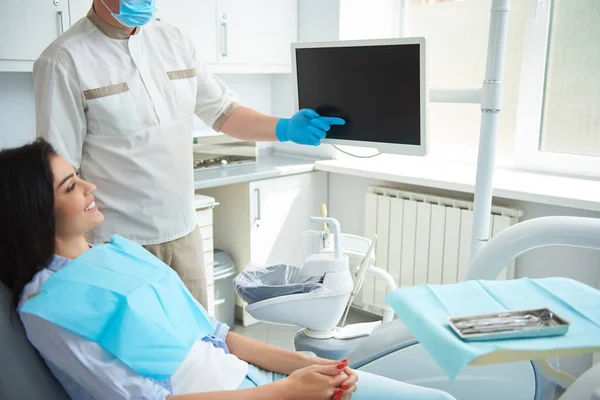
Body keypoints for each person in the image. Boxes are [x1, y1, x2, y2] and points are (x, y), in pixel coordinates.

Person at [0, 139, 457, 400]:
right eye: (70, 185)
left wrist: (308, 364)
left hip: (258, 381)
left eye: (79, 174)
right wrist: (286, 393)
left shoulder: (118, 250)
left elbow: (217, 335)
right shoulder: (46, 309)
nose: (89, 186)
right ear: (37, 209)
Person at [33, 0, 345, 308]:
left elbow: (223, 112)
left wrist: (284, 128)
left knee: (200, 341)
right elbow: (59, 171)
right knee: (141, 349)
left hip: (184, 232)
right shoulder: (63, 60)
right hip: (117, 244)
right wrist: (73, 253)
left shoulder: (175, 42)